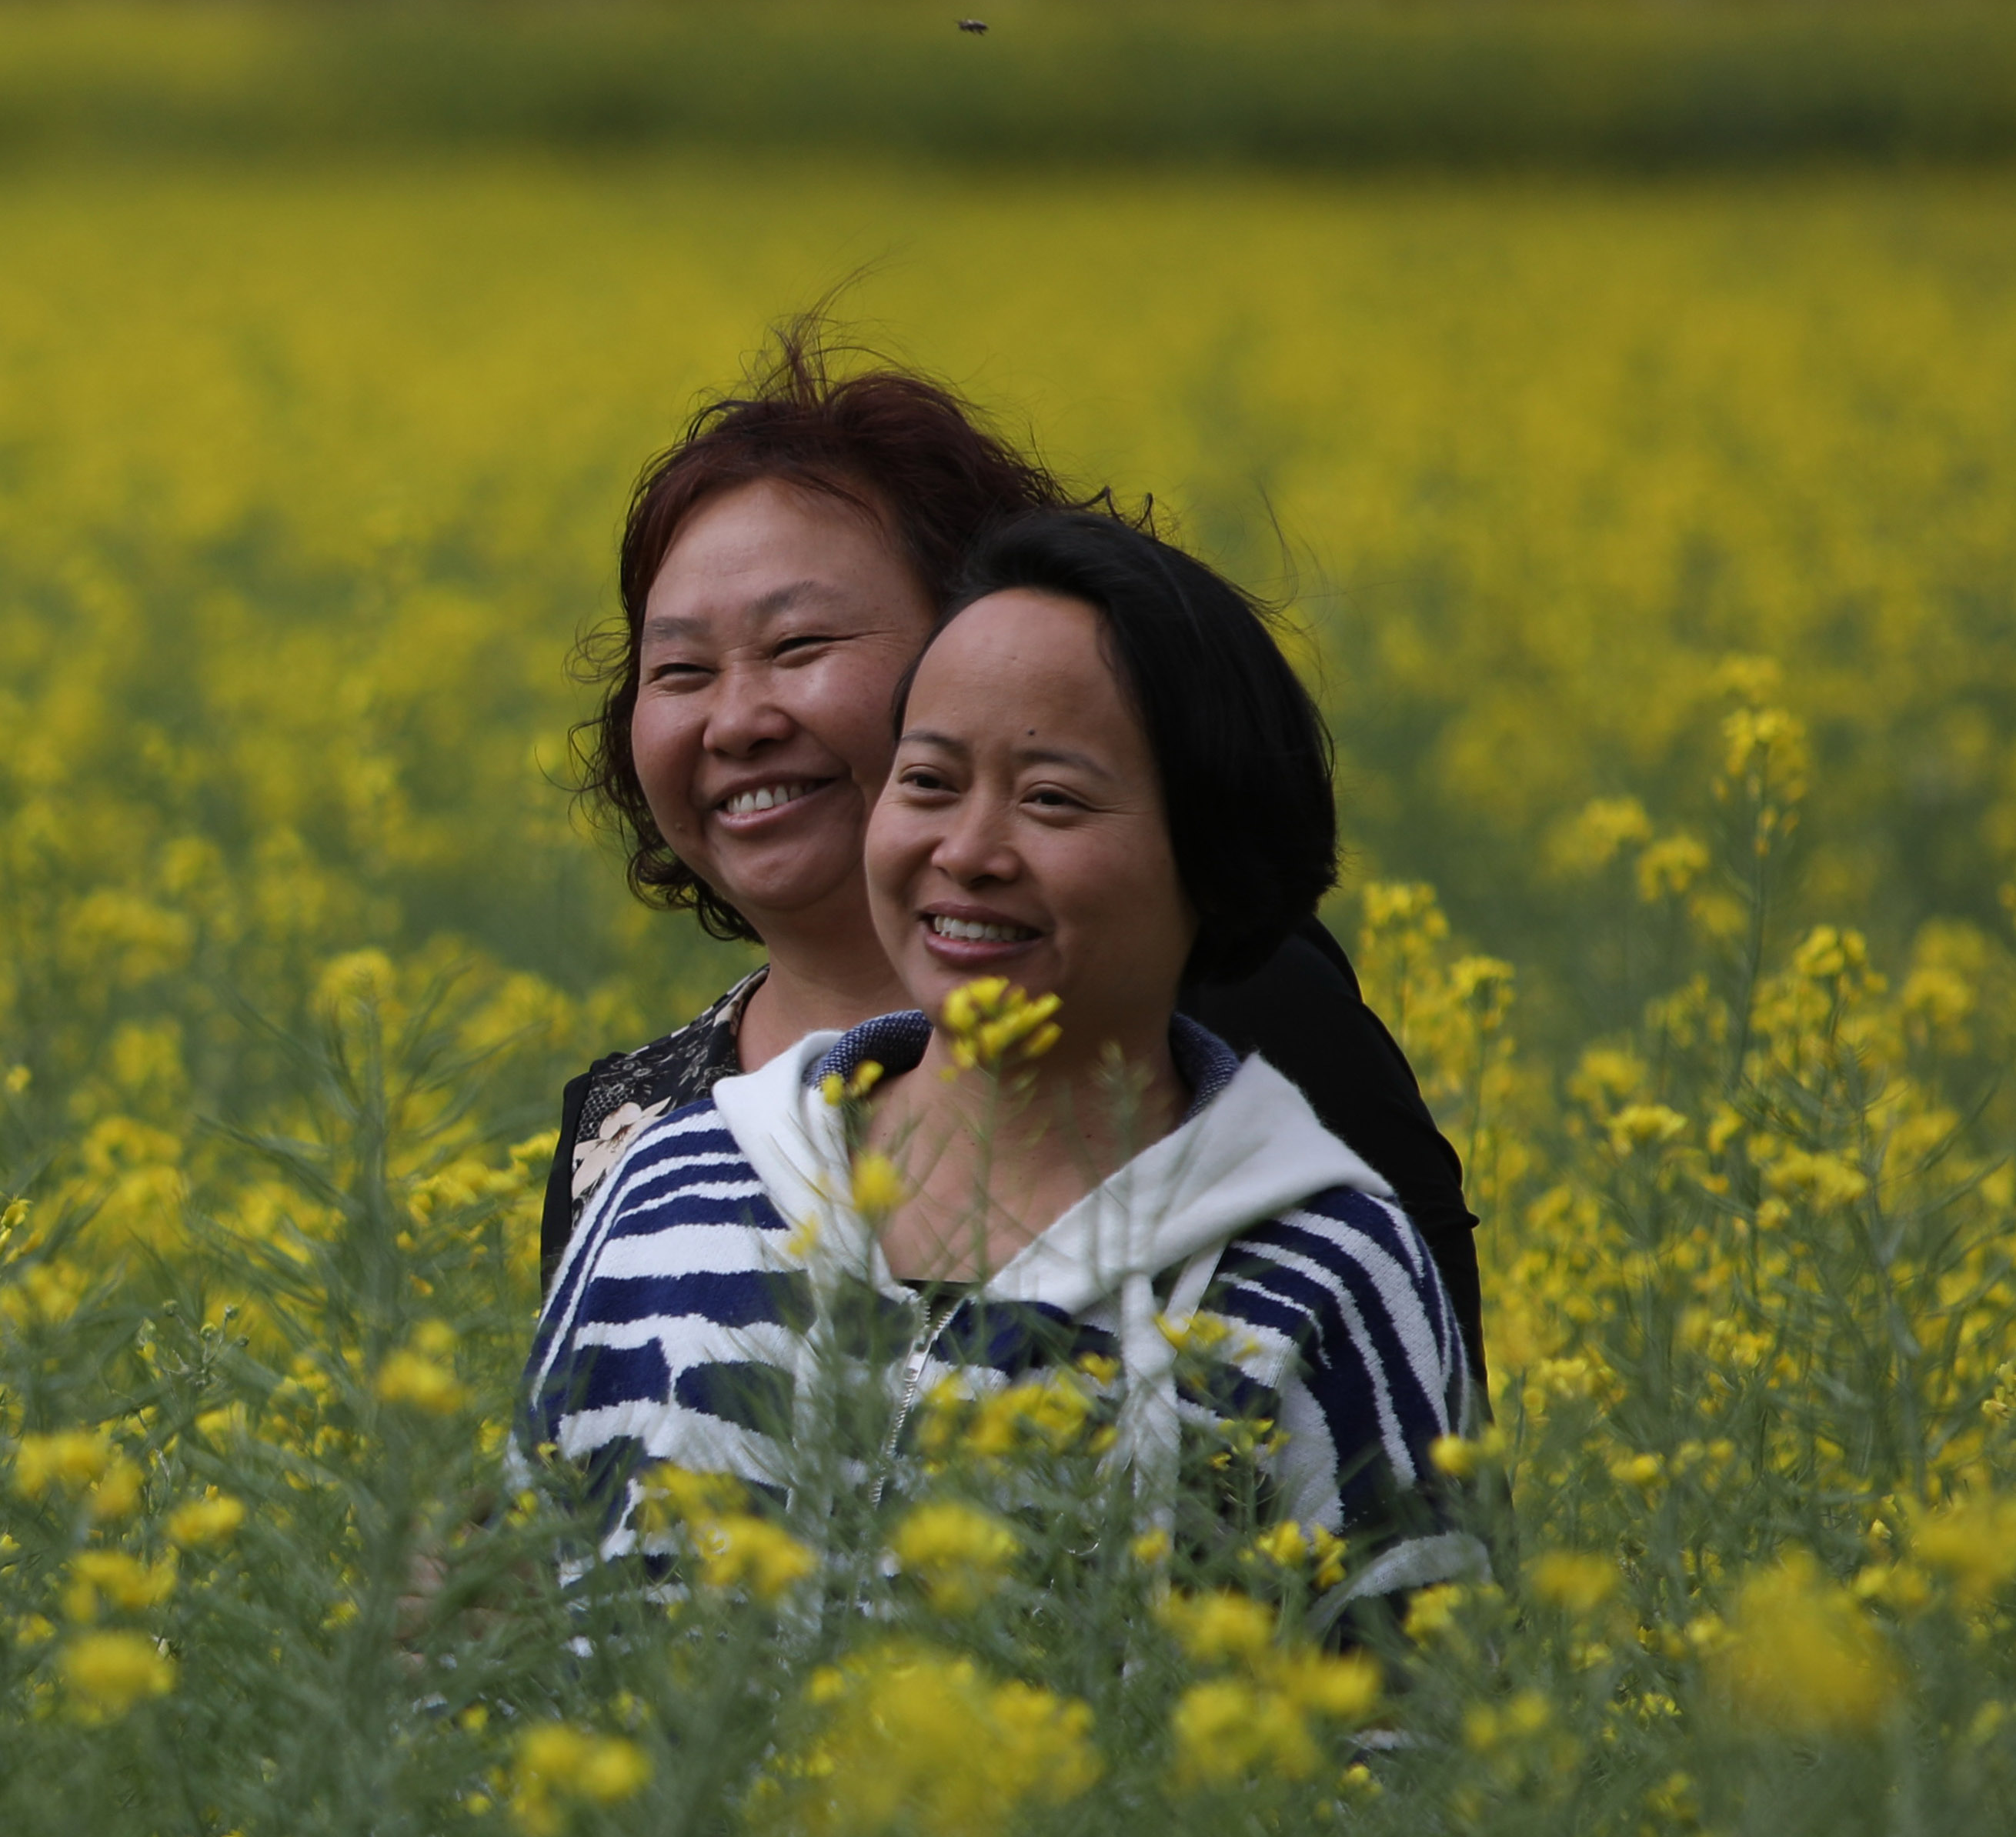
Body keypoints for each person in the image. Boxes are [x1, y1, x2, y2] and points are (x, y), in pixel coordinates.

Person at [521, 511, 1477, 1616]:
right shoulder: (672, 1191)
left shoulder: (1322, 1271)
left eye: (1051, 800)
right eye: (926, 782)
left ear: (1211, 856)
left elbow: (1410, 1751)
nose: (967, 853)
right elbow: (517, 1655)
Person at [539, 328, 1483, 1385]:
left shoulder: (1219, 1000)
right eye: (680, 670)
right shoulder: (635, 1132)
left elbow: (1406, 1458)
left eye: (799, 648)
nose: (736, 720)